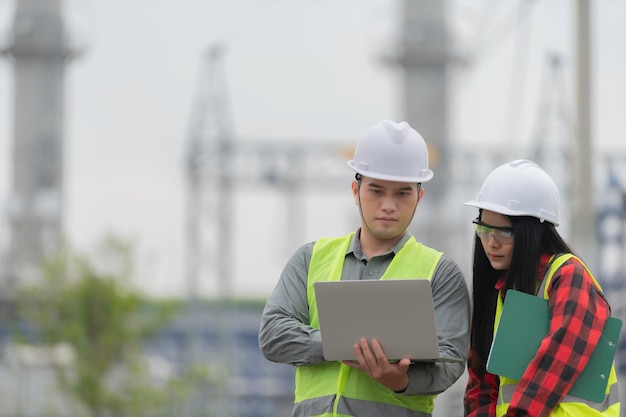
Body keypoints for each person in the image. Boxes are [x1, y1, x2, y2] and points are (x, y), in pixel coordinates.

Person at [258, 120, 470, 417]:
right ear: (355, 190)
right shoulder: (310, 258)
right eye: (376, 191)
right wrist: (345, 345)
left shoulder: (441, 273)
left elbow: (451, 361)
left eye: (402, 194)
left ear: (418, 198)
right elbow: (273, 335)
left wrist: (400, 380)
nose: (388, 205)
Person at [463, 159, 621, 417]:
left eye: (504, 233)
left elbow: (560, 359)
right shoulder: (498, 292)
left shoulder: (568, 276)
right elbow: (481, 383)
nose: (490, 243)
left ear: (532, 233)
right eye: (484, 229)